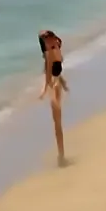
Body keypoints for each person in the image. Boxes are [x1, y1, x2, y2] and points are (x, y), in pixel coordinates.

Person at [38, 30, 68, 166]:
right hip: (53, 87)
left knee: (58, 123)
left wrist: (63, 82)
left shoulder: (55, 48)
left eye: (49, 38)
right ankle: (61, 156)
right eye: (46, 40)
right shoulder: (50, 53)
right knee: (57, 123)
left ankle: (61, 155)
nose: (50, 41)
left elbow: (57, 71)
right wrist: (45, 90)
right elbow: (48, 75)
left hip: (56, 85)